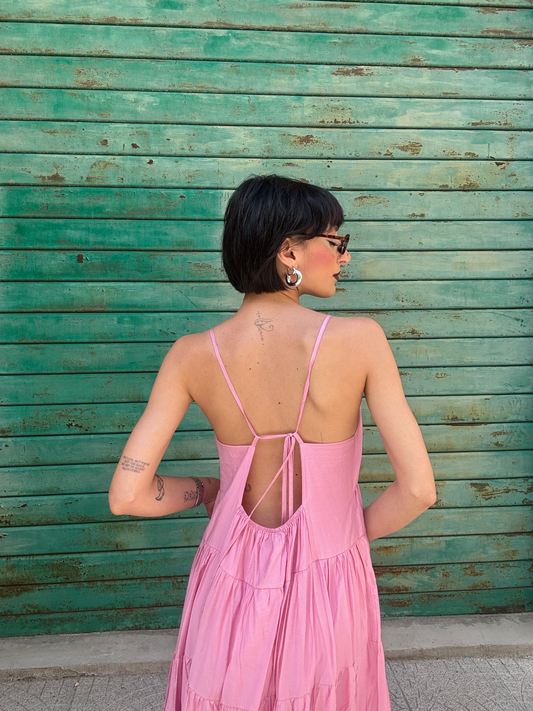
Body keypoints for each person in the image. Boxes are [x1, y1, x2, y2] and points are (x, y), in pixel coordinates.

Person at [109, 174, 437, 710]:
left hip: (227, 583)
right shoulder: (360, 341)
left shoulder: (190, 355)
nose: (345, 256)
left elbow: (127, 495)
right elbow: (419, 490)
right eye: (336, 241)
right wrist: (345, 536)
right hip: (329, 585)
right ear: (289, 250)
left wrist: (207, 487)